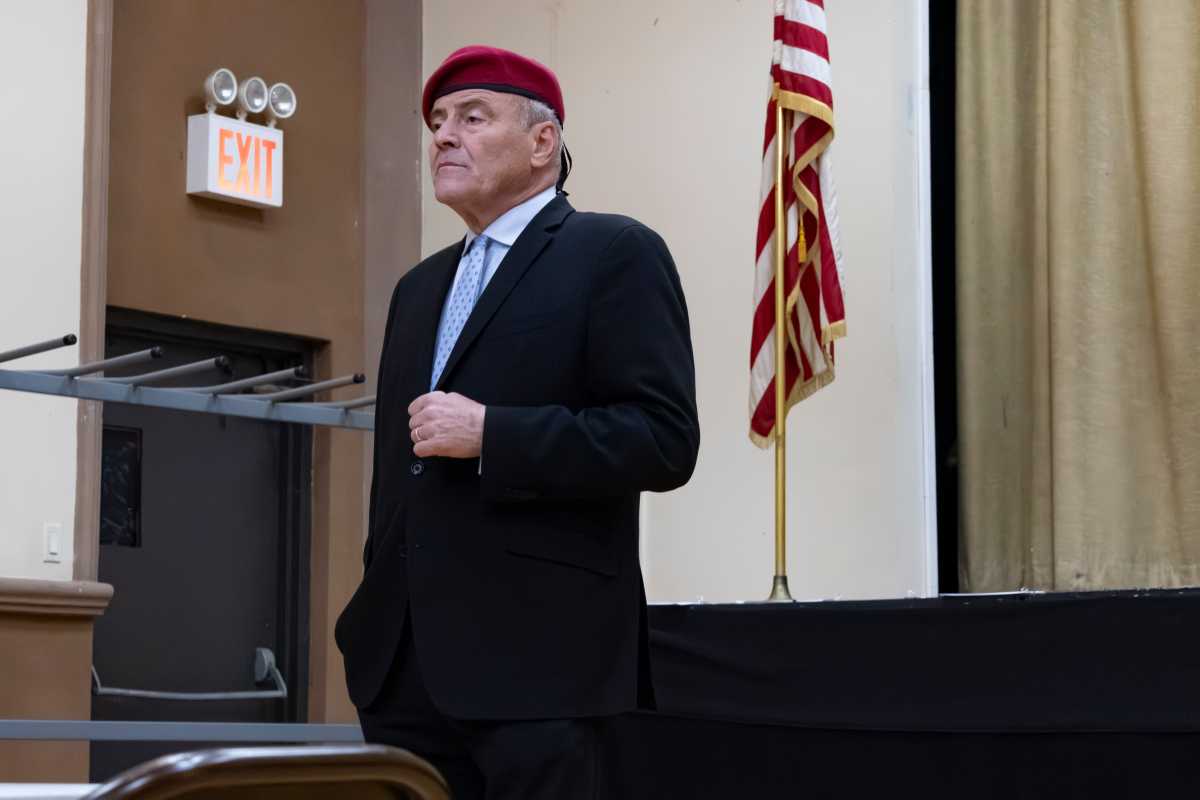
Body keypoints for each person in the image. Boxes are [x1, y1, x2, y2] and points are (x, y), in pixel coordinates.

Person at [335, 44, 700, 799]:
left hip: (541, 672)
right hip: (402, 673)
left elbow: (663, 440)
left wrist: (495, 435)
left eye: (472, 116)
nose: (442, 135)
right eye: (436, 121)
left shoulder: (613, 253)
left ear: (543, 144)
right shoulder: (417, 288)